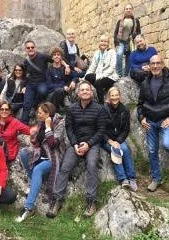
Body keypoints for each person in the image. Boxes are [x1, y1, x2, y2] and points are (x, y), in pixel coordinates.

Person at [46, 81, 105, 218]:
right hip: (76, 144)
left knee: (91, 165)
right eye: (82, 90)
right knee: (65, 167)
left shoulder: (99, 109)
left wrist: (89, 144)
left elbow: (101, 130)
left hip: (92, 144)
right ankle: (57, 200)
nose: (84, 92)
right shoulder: (72, 109)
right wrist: (75, 144)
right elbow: (69, 128)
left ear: (91, 93)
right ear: (78, 93)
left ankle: (91, 201)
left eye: (87, 90)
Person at [137, 55, 169, 192]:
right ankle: (156, 179)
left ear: (163, 64)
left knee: (168, 144)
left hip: (166, 120)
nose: (155, 66)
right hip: (150, 121)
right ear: (149, 65)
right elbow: (140, 104)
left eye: (158, 63)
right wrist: (141, 118)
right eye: (152, 63)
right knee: (152, 150)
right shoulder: (145, 82)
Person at [16, 102, 65, 222]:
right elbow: (36, 142)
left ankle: (28, 207)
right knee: (23, 153)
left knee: (38, 169)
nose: (38, 115)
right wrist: (33, 135)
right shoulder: (41, 122)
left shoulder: (59, 123)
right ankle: (35, 183)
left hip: (52, 156)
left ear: (47, 114)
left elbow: (53, 144)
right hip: (40, 153)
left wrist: (48, 127)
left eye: (40, 113)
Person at [21, 40, 70, 124]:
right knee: (26, 104)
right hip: (31, 84)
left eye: (32, 47)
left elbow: (56, 59)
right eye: (28, 48)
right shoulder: (26, 61)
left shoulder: (42, 56)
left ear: (35, 48)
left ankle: (35, 105)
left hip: (41, 82)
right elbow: (25, 75)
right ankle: (22, 125)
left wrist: (66, 66)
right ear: (25, 49)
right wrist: (23, 86)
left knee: (43, 92)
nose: (30, 49)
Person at [102, 87, 137, 191]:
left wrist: (118, 141)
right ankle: (123, 179)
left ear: (120, 96)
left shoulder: (124, 110)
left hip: (118, 139)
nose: (114, 97)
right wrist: (110, 141)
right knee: (115, 150)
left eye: (116, 95)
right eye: (112, 95)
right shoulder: (103, 109)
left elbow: (126, 129)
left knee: (125, 149)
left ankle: (132, 178)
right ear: (109, 97)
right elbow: (100, 129)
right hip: (106, 139)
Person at [85, 34, 119, 103]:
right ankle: (99, 91)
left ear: (108, 43)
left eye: (105, 41)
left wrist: (101, 76)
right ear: (99, 42)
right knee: (88, 77)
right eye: (102, 41)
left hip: (109, 76)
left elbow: (112, 67)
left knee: (98, 83)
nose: (103, 43)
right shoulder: (97, 53)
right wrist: (85, 76)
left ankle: (101, 103)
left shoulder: (112, 52)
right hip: (99, 75)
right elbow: (92, 67)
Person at [114, 3, 141, 77]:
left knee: (129, 59)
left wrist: (137, 40)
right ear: (124, 11)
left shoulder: (136, 21)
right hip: (121, 42)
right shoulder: (120, 21)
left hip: (130, 43)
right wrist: (116, 44)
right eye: (127, 9)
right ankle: (119, 74)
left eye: (130, 9)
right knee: (119, 55)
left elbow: (138, 32)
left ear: (132, 10)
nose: (128, 10)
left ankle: (126, 76)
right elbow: (116, 32)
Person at [46, 47, 76, 112]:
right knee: (57, 91)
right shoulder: (49, 70)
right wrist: (63, 87)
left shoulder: (65, 69)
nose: (56, 56)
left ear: (61, 57)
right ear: (52, 57)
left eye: (58, 54)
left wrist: (74, 81)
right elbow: (49, 85)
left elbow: (76, 76)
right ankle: (57, 111)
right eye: (54, 55)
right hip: (53, 92)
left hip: (65, 92)